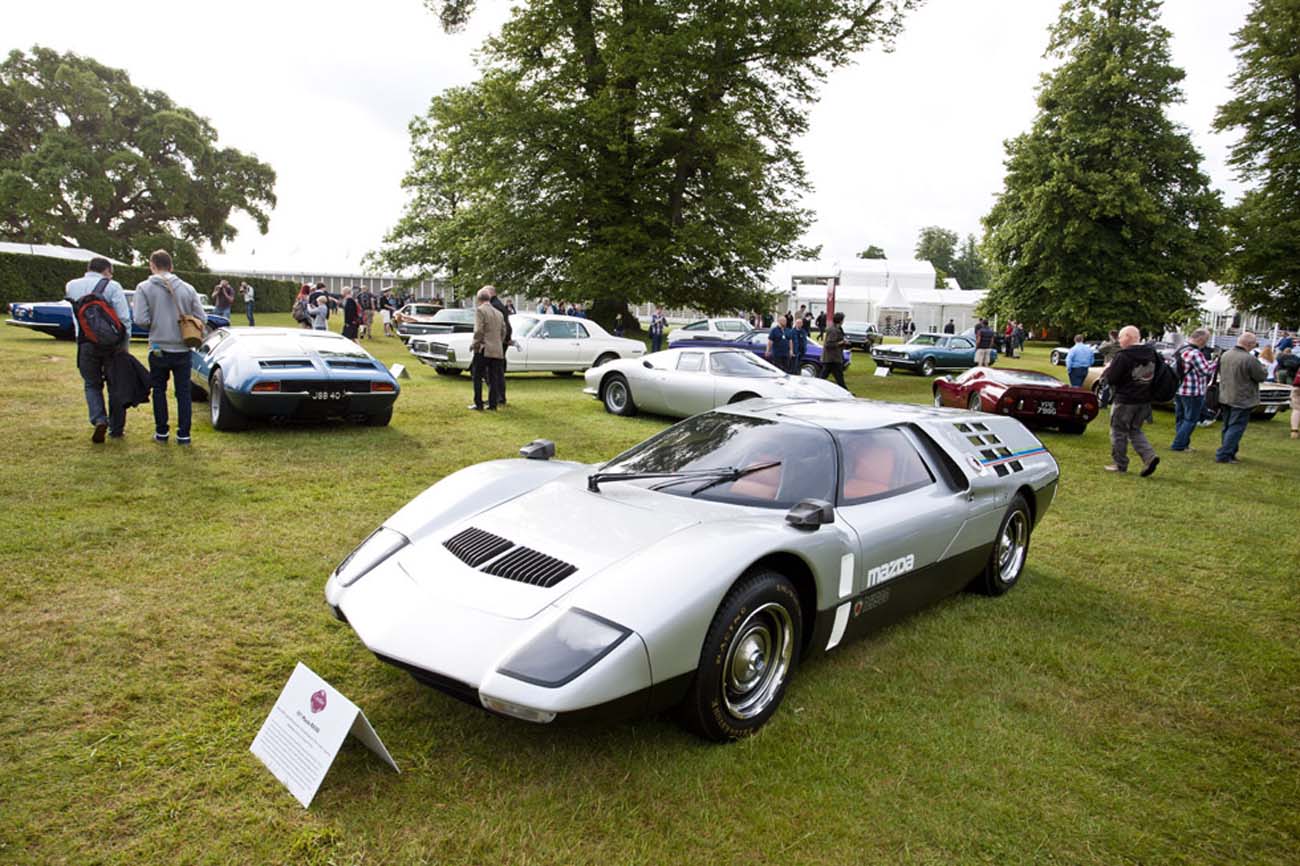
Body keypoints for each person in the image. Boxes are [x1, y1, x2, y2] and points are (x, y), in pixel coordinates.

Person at [132, 250, 204, 445]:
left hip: (158, 345)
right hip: (183, 346)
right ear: (171, 266)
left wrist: (155, 323)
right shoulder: (188, 288)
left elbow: (140, 319)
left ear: (152, 265)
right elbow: (201, 318)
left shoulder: (144, 287)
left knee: (159, 390)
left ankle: (162, 432)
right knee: (183, 392)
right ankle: (184, 434)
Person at [66, 257, 132, 442]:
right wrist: (125, 346)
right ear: (106, 270)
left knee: (91, 384)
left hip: (85, 342)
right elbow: (124, 319)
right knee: (115, 385)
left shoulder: (72, 285)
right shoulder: (112, 286)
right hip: (111, 344)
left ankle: (99, 419)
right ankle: (117, 428)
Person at [1100, 325, 1160, 476]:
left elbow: (1112, 378)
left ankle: (1120, 464)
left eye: (1120, 337)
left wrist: (1108, 368)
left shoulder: (1124, 356)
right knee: (1135, 430)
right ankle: (1149, 456)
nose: (1119, 341)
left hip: (1125, 400)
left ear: (1128, 337)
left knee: (1118, 431)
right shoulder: (1152, 354)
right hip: (1144, 399)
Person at [1216, 332, 1267, 464]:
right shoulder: (1249, 359)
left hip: (1226, 395)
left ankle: (1230, 452)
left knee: (1227, 426)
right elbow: (1261, 376)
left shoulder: (1225, 355)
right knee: (1236, 427)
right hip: (1242, 398)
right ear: (1249, 344)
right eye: (1254, 343)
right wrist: (1264, 368)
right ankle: (1224, 454)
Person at [1170, 328, 1216, 453]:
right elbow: (1206, 371)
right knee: (1190, 420)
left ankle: (1184, 444)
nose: (1206, 343)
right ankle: (1178, 444)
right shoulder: (1195, 353)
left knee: (1181, 418)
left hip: (1179, 389)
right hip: (1193, 391)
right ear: (1201, 339)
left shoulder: (1181, 349)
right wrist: (1216, 362)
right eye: (1206, 340)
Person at [469, 287, 505, 411]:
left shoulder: (480, 311)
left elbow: (479, 330)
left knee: (477, 376)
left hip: (484, 348)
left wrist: (475, 344)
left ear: (478, 299)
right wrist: (498, 342)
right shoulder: (499, 313)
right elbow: (503, 331)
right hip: (497, 349)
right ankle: (493, 404)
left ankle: (478, 403)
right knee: (493, 377)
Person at [487, 285, 514, 405]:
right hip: (501, 340)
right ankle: (498, 396)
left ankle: (498, 396)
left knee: (494, 370)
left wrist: (503, 339)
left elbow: (503, 326)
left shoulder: (495, 306)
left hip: (497, 341)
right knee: (497, 370)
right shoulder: (499, 305)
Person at [819, 312, 849, 391]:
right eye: (843, 320)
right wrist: (842, 342)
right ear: (840, 320)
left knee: (827, 376)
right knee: (838, 377)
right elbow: (829, 344)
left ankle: (844, 390)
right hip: (832, 358)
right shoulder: (833, 330)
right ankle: (845, 391)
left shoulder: (838, 329)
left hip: (834, 357)